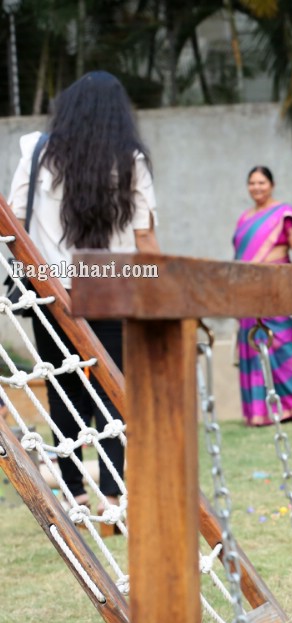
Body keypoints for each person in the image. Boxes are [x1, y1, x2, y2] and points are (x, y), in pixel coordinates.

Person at [8, 70, 160, 519]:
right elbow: (147, 240)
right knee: (114, 388)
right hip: (111, 282)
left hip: (51, 285)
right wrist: (156, 295)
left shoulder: (38, 151)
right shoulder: (132, 159)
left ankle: (74, 493)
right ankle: (113, 495)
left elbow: (14, 222)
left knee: (62, 387)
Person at [232, 166, 292, 426]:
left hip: (275, 292)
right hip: (249, 293)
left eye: (261, 182)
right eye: (252, 183)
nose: (256, 187)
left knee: (282, 346)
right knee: (254, 346)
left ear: (272, 184)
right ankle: (263, 412)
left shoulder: (283, 214)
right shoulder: (245, 218)